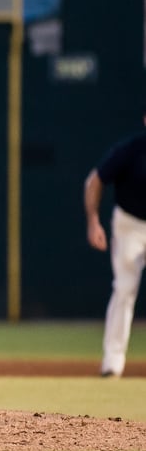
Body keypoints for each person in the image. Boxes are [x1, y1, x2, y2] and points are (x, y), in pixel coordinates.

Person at [84, 111, 146, 378]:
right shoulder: (130, 150)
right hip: (129, 224)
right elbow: (95, 181)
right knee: (124, 288)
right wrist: (93, 221)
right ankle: (112, 363)